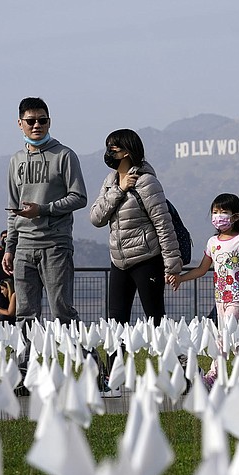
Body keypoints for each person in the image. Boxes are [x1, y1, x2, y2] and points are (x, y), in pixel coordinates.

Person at [89, 128, 183, 392]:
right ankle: (114, 379)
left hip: (146, 259)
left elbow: (164, 224)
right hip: (119, 262)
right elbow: (96, 218)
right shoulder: (110, 181)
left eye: (113, 149)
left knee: (156, 319)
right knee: (116, 322)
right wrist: (118, 190)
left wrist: (172, 265)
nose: (108, 153)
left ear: (127, 152)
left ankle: (178, 373)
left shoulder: (147, 182)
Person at [2, 97, 87, 328]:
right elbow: (13, 208)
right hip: (23, 248)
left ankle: (86, 361)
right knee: (25, 314)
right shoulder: (15, 161)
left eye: (42, 120)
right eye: (31, 121)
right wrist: (10, 247)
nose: (37, 125)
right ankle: (24, 363)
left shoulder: (64, 156)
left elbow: (79, 197)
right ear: (20, 123)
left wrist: (44, 210)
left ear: (50, 122)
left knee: (63, 311)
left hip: (55, 244)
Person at [169, 193, 239, 389]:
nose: (218, 216)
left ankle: (213, 376)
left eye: (223, 212)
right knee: (232, 338)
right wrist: (181, 278)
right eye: (215, 212)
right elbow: (202, 269)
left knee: (223, 337)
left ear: (235, 216)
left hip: (237, 297)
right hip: (220, 298)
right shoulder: (213, 243)